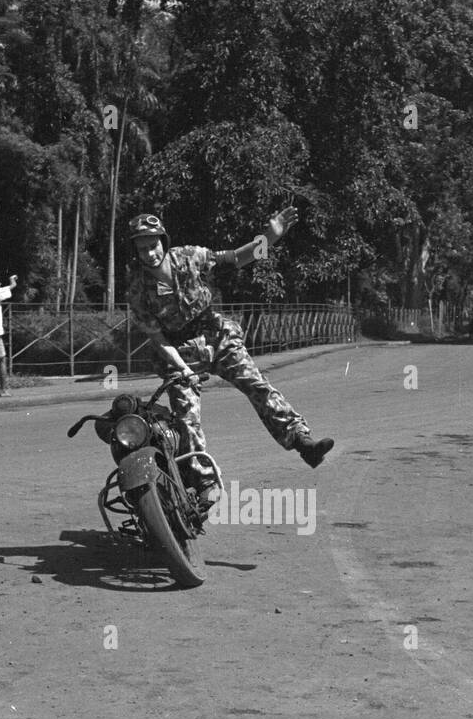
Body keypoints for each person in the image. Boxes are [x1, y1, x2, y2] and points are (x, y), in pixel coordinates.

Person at [124, 208, 334, 506]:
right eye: (142, 248)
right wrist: (184, 370)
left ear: (163, 242)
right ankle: (204, 484)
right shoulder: (137, 288)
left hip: (216, 336)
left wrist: (269, 239)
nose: (149, 253)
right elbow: (157, 338)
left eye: (153, 245)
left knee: (256, 384)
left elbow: (236, 258)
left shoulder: (189, 256)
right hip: (179, 352)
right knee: (187, 417)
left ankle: (302, 442)